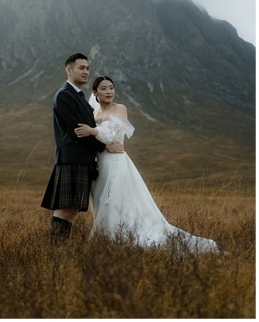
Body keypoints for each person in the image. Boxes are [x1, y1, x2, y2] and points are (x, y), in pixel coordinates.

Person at [76, 76, 220, 253]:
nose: (108, 92)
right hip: (100, 165)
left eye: (111, 88)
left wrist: (92, 130)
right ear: (95, 93)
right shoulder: (94, 114)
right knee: (100, 203)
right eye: (104, 88)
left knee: (112, 201)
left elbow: (112, 133)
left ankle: (120, 240)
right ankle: (105, 241)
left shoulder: (120, 108)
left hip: (116, 163)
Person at [41, 53, 122, 240]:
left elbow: (90, 128)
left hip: (81, 158)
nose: (86, 72)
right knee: (65, 208)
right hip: (72, 158)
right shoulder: (64, 95)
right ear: (68, 70)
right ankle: (54, 250)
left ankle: (59, 249)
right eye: (81, 68)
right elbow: (79, 130)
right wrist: (104, 147)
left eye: (87, 68)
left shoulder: (79, 96)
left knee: (73, 209)